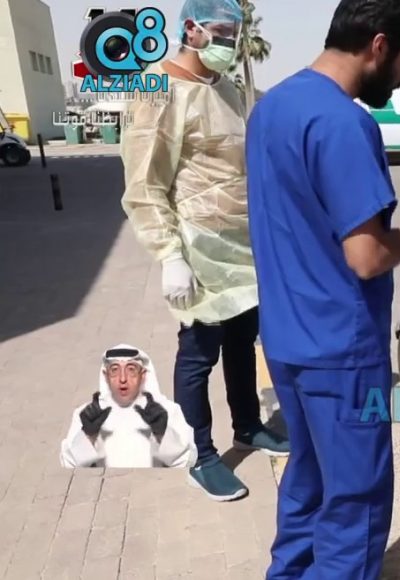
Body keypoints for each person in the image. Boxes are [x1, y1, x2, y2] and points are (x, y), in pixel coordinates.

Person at [245, 1, 400, 578]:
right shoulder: (344, 123)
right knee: (356, 501)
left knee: (307, 480)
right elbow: (366, 257)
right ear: (378, 45)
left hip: (287, 338)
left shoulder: (272, 107)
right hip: (340, 351)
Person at [120, 0, 289, 502]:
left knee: (240, 342)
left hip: (240, 249)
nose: (229, 43)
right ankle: (200, 454)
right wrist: (169, 255)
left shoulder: (226, 88)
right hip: (197, 249)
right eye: (221, 32)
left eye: (234, 34)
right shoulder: (157, 89)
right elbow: (144, 184)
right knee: (198, 354)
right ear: (190, 29)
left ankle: (247, 426)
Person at [61, 345, 196, 469]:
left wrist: (163, 433)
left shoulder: (167, 411)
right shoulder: (88, 414)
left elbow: (187, 462)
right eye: (114, 370)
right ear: (106, 376)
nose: (123, 379)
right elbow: (68, 466)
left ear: (143, 375)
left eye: (131, 369)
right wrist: (87, 435)